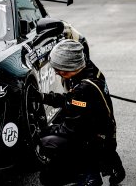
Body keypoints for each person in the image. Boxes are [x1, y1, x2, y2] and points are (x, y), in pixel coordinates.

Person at [32, 39, 125, 186]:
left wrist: (43, 131)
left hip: (92, 140)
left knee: (47, 145)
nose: (56, 73)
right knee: (92, 139)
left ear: (69, 66)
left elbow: (71, 129)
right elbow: (70, 101)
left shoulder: (84, 89)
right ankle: (111, 164)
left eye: (59, 69)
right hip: (104, 134)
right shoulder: (88, 69)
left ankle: (88, 176)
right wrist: (45, 98)